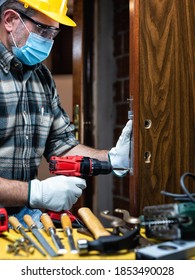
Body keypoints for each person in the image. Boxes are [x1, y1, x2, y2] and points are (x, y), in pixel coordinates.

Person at [0, 0, 132, 227]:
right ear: (11, 20)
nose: (48, 41)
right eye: (43, 30)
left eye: (54, 33)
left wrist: (111, 159)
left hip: (24, 217)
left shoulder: (42, 77)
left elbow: (61, 145)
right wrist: (35, 192)